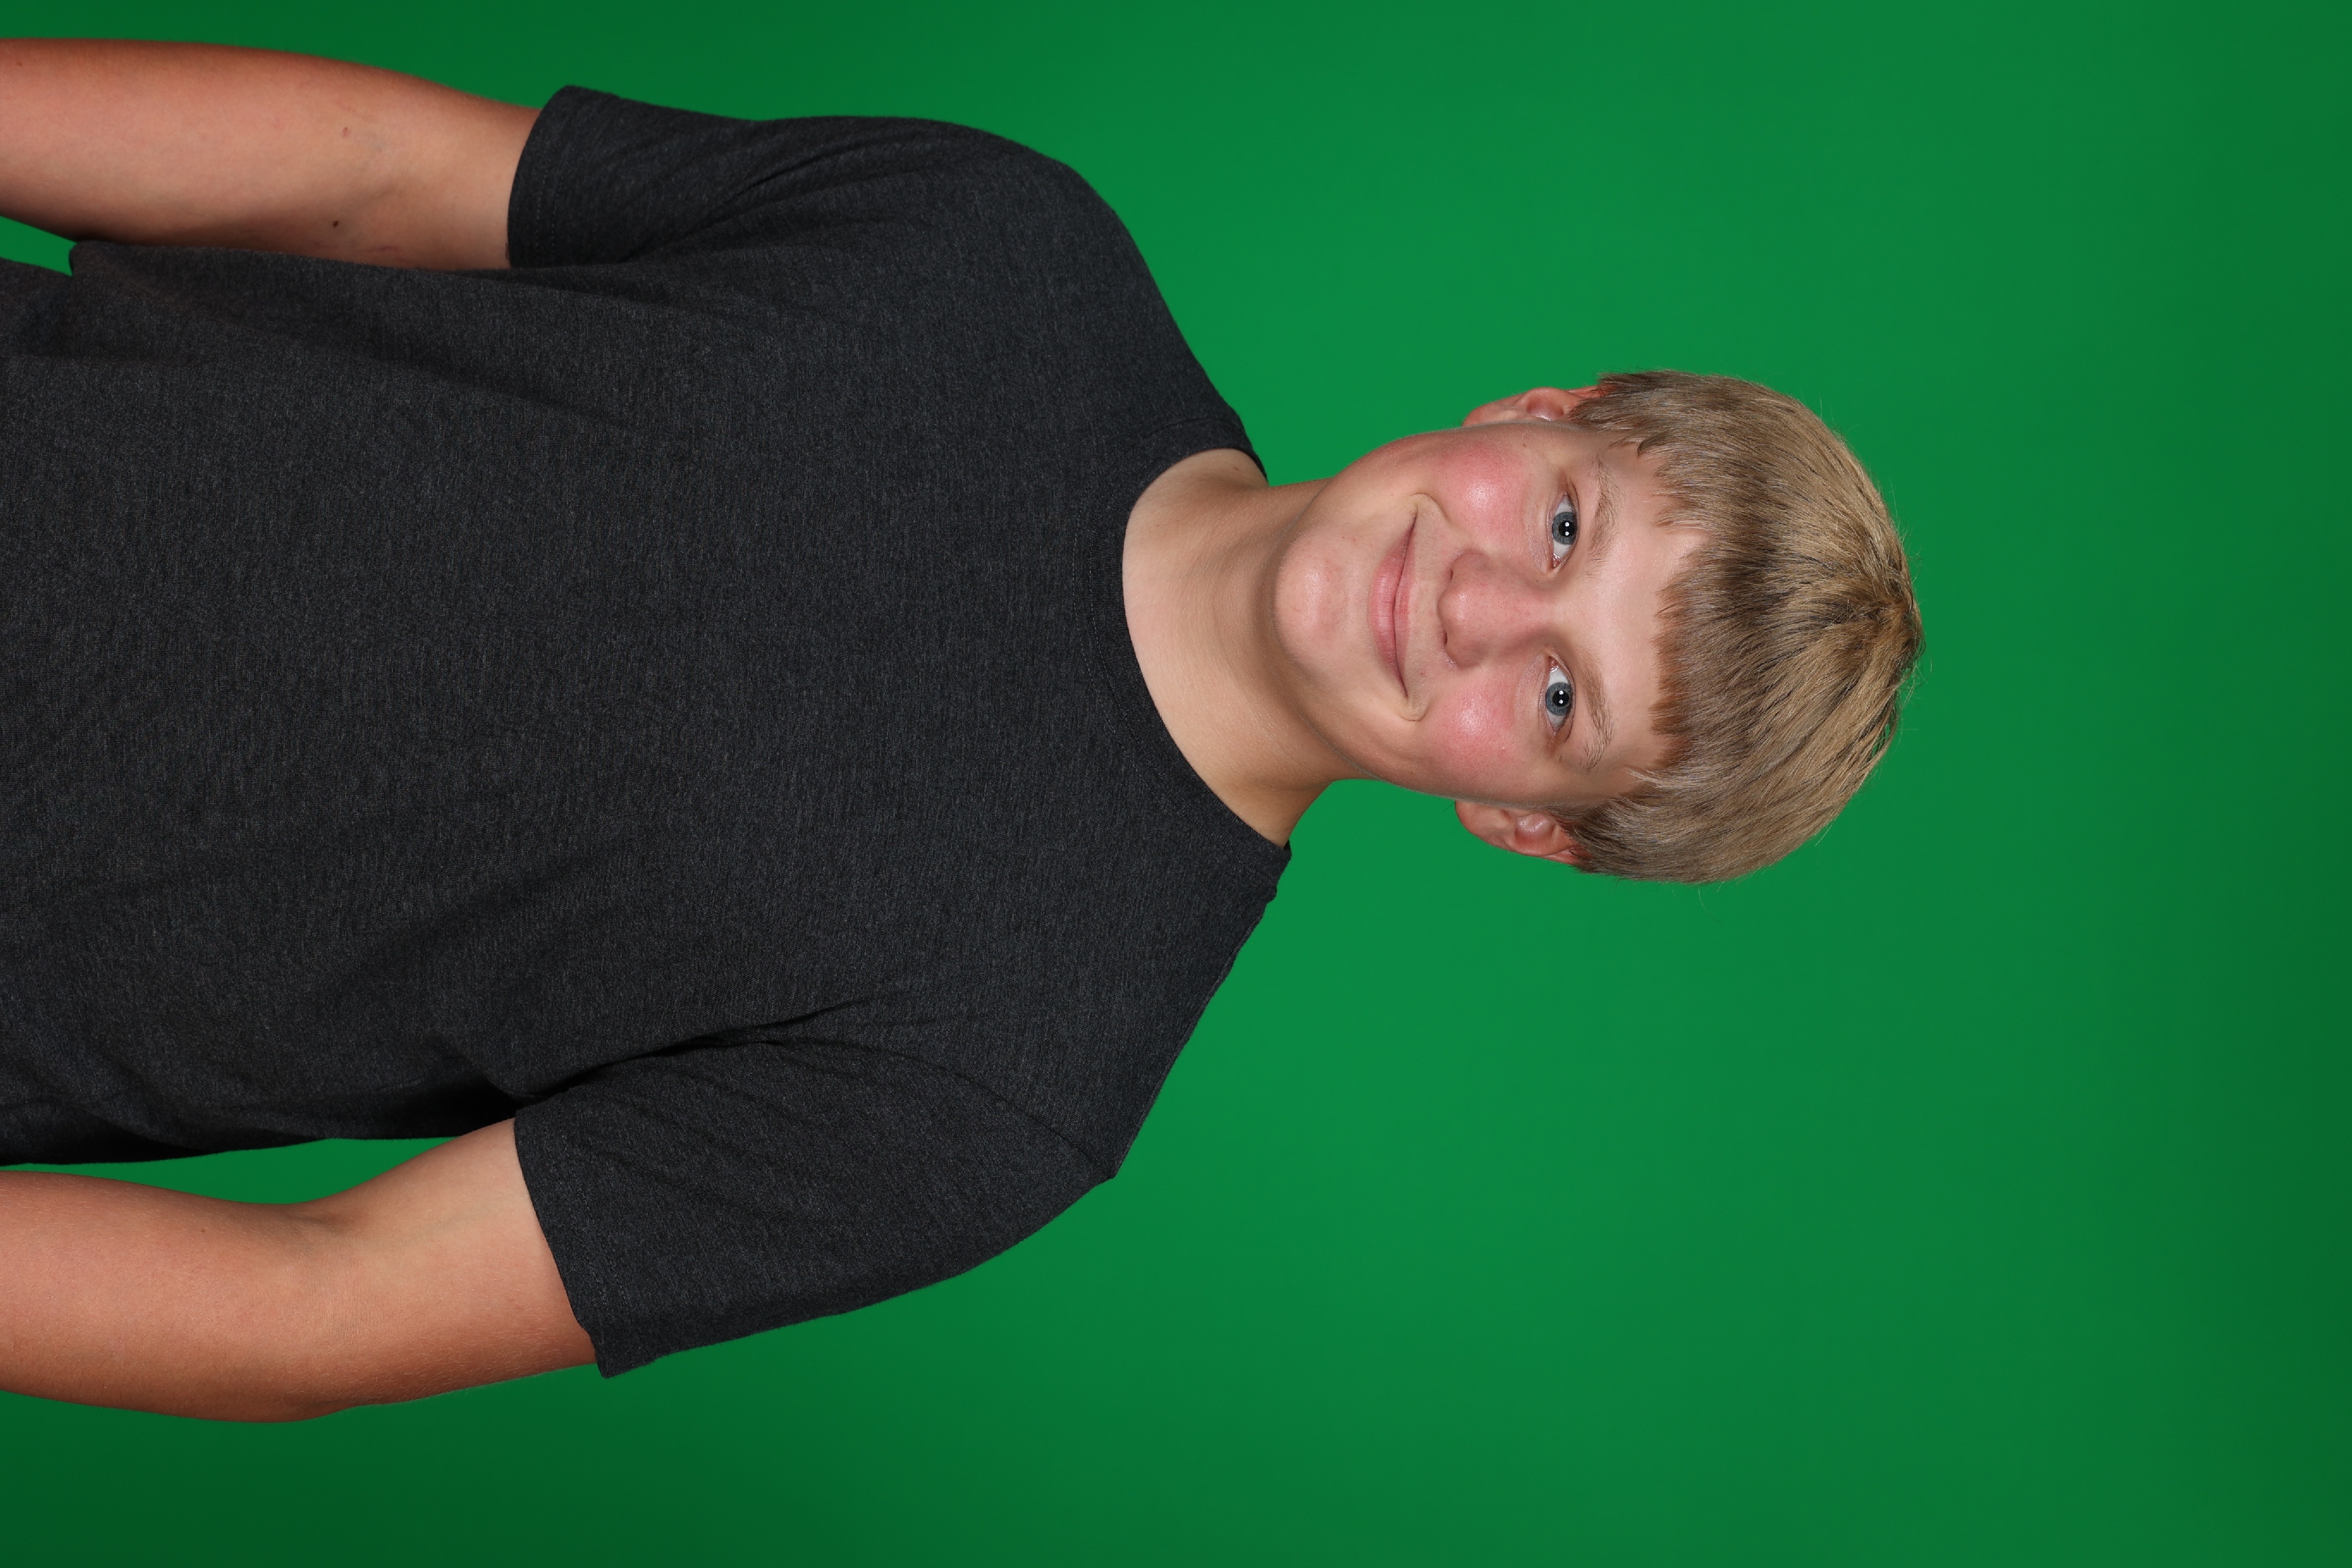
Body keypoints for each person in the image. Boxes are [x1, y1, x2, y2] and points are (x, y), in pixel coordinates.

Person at [0, 41, 1922, 1421]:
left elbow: (320, 1304)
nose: (1481, 605)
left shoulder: (1009, 1087)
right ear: (1538, 414)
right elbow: (380, 173)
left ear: (1527, 824)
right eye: (1566, 527)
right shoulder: (1006, 249)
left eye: (1560, 699)